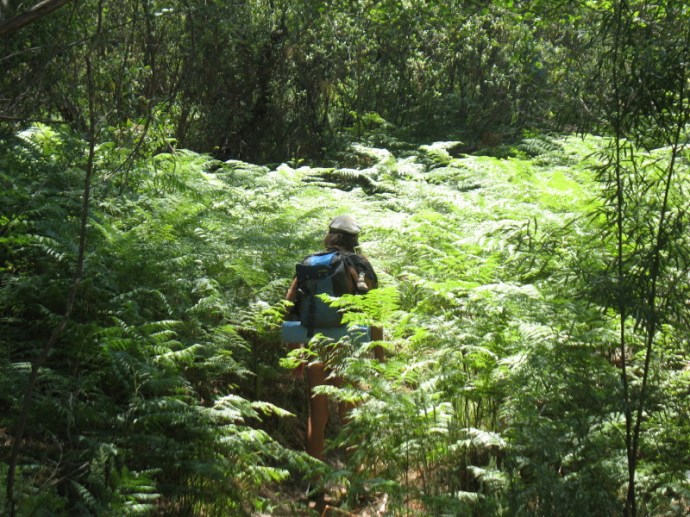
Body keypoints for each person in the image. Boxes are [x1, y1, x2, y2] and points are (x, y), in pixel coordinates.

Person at [284, 215, 382, 461]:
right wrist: (380, 357)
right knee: (349, 412)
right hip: (347, 347)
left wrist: (295, 350)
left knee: (317, 416)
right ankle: (354, 478)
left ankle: (314, 480)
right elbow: (375, 313)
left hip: (316, 345)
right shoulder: (359, 265)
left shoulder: (311, 263)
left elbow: (289, 303)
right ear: (355, 240)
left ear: (329, 236)